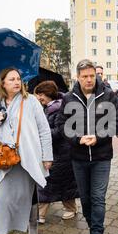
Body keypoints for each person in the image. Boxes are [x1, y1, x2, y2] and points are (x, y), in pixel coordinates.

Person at [0, 67, 53, 234]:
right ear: (2, 83)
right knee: (1, 199)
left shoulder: (31, 101)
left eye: (18, 78)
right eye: (11, 79)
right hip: (3, 160)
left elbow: (44, 130)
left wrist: (47, 156)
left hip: (27, 158)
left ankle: (32, 225)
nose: (16, 82)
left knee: (27, 197)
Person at [56, 59, 118, 234]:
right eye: (85, 76)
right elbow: (61, 123)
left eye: (92, 75)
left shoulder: (108, 95)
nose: (89, 79)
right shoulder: (68, 98)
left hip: (102, 156)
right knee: (85, 198)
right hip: (79, 158)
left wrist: (97, 138)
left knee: (98, 197)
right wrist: (77, 139)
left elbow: (115, 122)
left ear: (96, 75)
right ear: (78, 77)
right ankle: (93, 228)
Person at [33, 81, 79, 224]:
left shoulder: (60, 109)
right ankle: (41, 214)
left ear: (48, 94)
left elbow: (60, 131)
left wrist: (41, 134)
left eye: (40, 94)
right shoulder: (47, 108)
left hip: (62, 153)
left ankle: (69, 209)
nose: (39, 98)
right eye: (38, 95)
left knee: (56, 184)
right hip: (53, 152)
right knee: (51, 183)